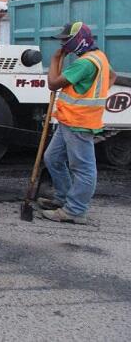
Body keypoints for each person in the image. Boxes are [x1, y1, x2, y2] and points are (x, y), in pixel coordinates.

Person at [39, 22, 116, 224]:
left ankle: (74, 210)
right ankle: (63, 199)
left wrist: (56, 58)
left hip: (79, 122)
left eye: (66, 40)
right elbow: (112, 76)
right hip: (68, 119)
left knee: (83, 168)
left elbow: (53, 83)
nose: (64, 44)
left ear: (79, 40)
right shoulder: (98, 57)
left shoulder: (84, 63)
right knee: (53, 158)